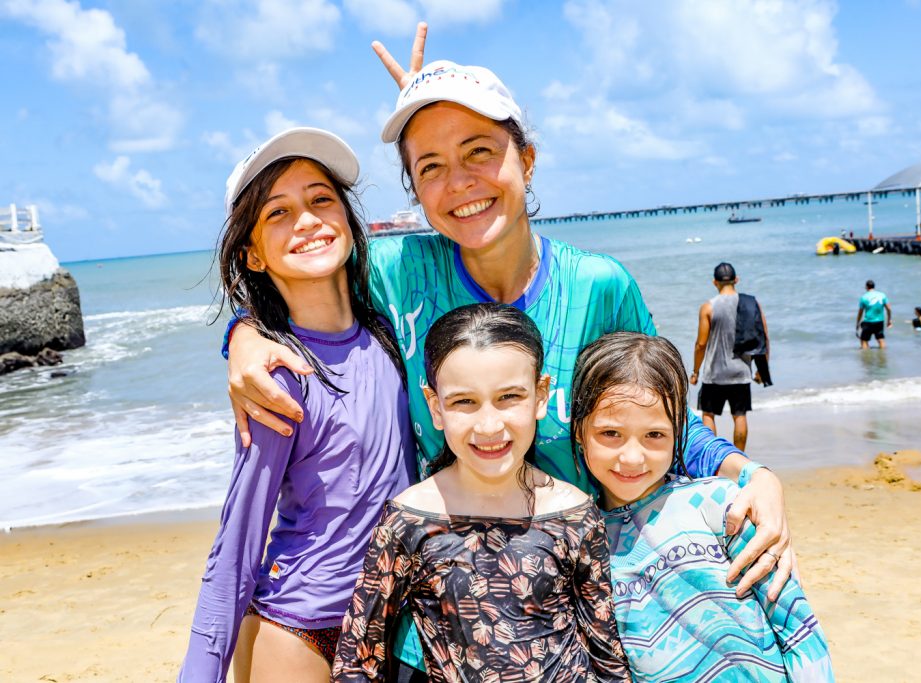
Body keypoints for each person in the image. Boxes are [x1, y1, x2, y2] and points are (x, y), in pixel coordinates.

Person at [225, 25, 796, 598]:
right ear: (416, 192)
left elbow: (665, 418)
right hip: (445, 605)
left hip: (580, 591)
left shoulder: (596, 285)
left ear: (526, 160)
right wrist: (246, 333)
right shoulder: (395, 273)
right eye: (430, 166)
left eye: (479, 151)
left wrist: (752, 474)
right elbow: (295, 278)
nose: (460, 183)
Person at [178, 129, 416, 683]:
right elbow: (236, 544)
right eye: (277, 212)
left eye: (320, 199)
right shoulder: (277, 374)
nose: (306, 220)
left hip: (400, 621)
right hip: (301, 630)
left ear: (350, 226)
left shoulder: (389, 333)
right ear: (253, 255)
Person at [332, 303, 630, 682]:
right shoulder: (411, 518)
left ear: (540, 395)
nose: (489, 425)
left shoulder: (574, 513)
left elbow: (606, 656)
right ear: (434, 406)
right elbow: (358, 659)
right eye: (464, 402)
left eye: (509, 397)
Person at [572, 332, 834, 682]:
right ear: (578, 430)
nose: (632, 457)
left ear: (678, 432)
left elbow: (798, 629)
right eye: (610, 434)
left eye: (654, 435)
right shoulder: (583, 544)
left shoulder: (719, 505)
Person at [690, 262, 767, 451]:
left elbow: (701, 344)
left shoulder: (708, 307)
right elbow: (763, 337)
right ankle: (739, 458)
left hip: (714, 374)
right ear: (736, 280)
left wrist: (695, 371)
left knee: (708, 414)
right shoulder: (751, 304)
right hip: (741, 371)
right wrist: (761, 371)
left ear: (714, 282)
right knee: (739, 415)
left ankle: (711, 457)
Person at [856, 279, 892, 349]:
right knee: (880, 339)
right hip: (880, 321)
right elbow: (889, 309)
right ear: (874, 286)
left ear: (866, 287)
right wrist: (889, 320)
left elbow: (860, 312)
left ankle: (866, 357)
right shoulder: (882, 295)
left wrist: (857, 323)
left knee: (864, 340)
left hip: (868, 321)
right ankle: (883, 357)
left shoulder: (864, 297)